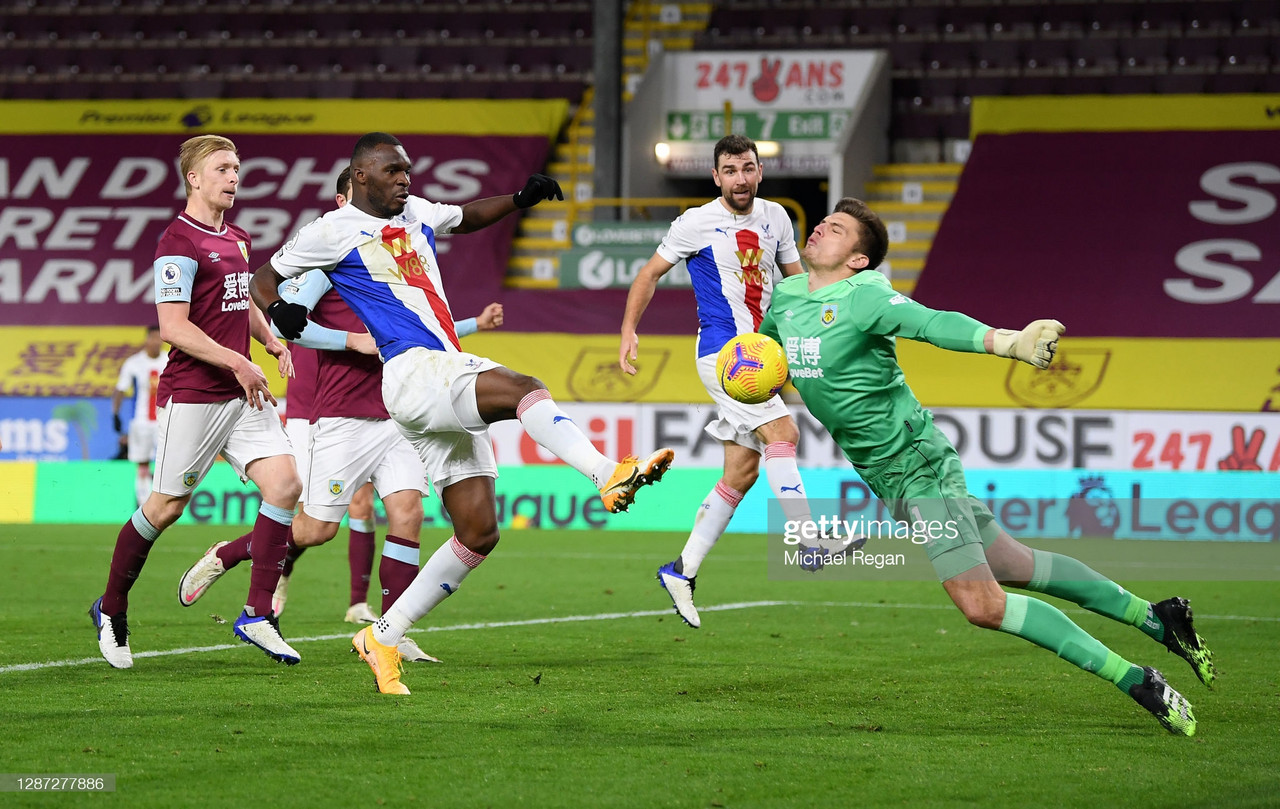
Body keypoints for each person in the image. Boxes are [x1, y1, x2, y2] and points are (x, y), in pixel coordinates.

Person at [758, 197, 1216, 736]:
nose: (819, 232)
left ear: (858, 260)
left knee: (980, 603)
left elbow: (932, 323)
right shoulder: (786, 298)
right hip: (888, 476)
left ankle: (1136, 679)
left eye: (836, 230)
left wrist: (1010, 343)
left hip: (916, 466)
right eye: (823, 224)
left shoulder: (865, 296)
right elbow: (761, 363)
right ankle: (1157, 617)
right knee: (1016, 565)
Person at [251, 132, 675, 694]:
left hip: (435, 374)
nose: (406, 178)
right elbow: (262, 281)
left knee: (478, 533)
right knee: (525, 387)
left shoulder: (417, 211)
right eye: (393, 170)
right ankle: (606, 473)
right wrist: (279, 310)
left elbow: (467, 216)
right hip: (412, 369)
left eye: (408, 170)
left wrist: (519, 200)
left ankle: (382, 635)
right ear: (359, 177)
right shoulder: (330, 232)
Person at [179, 167, 506, 665]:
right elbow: (290, 323)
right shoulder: (324, 260)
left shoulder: (400, 249)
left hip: (400, 411)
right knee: (314, 530)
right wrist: (349, 340)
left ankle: (391, 631)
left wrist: (473, 326)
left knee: (408, 513)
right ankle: (228, 553)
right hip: (342, 412)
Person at [89, 134, 305, 669]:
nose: (234, 177)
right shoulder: (177, 244)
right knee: (165, 507)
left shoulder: (237, 238)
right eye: (223, 168)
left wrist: (270, 341)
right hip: (195, 394)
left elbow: (243, 300)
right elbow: (172, 327)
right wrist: (236, 360)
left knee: (285, 485)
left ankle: (256, 614)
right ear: (195, 178)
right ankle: (111, 608)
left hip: (242, 391)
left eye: (237, 167)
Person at [619, 134, 826, 629]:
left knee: (741, 472)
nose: (740, 178)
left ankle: (681, 571)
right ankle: (808, 537)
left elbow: (796, 284)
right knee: (785, 434)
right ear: (716, 177)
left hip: (765, 351)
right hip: (727, 355)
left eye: (748, 168)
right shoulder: (695, 222)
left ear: (759, 171)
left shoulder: (777, 217)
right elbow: (648, 275)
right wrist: (628, 329)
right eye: (730, 170)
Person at [111, 325, 168, 506]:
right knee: (142, 464)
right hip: (141, 422)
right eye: (153, 338)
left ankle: (162, 507)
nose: (156, 342)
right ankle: (144, 506)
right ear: (147, 339)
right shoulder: (134, 363)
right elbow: (120, 389)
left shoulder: (169, 360)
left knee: (165, 464)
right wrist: (115, 414)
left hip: (165, 421)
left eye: (160, 338)